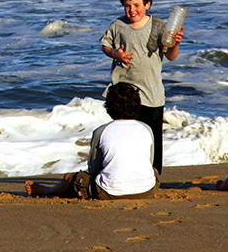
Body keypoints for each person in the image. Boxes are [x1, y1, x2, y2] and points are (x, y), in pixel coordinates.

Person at [100, 0, 182, 174]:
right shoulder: (118, 25)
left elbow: (170, 56)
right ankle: (124, 171)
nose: (132, 10)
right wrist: (116, 54)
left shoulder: (159, 26)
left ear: (147, 4)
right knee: (124, 135)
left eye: (137, 5)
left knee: (152, 138)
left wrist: (176, 43)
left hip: (151, 92)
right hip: (124, 93)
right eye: (127, 6)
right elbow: (105, 45)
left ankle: (153, 174)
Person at [26, 82, 159, 200]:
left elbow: (94, 169)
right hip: (147, 190)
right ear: (137, 106)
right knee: (152, 171)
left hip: (109, 192)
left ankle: (45, 191)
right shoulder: (146, 129)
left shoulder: (101, 131)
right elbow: (149, 162)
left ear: (109, 108)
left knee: (70, 178)